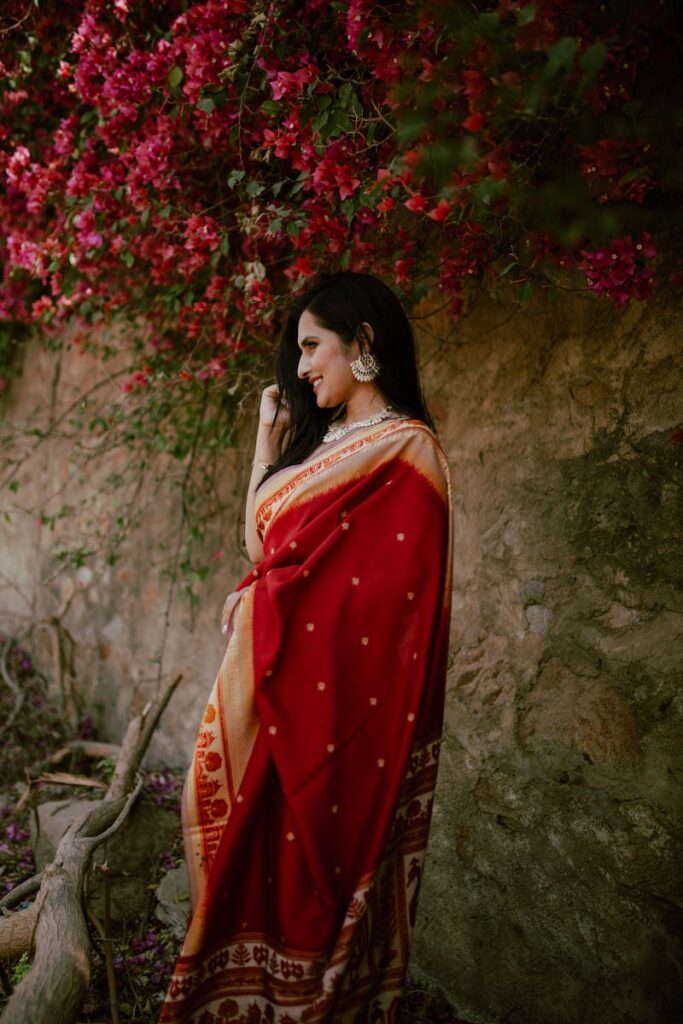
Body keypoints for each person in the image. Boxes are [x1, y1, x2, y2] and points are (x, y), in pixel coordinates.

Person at [159, 271, 453, 1024]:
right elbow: (262, 538)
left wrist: (266, 599)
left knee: (308, 868)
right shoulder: (326, 445)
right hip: (273, 689)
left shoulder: (405, 453)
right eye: (298, 351)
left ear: (363, 345)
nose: (300, 367)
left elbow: (383, 598)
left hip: (335, 712)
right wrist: (266, 436)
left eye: (311, 347)